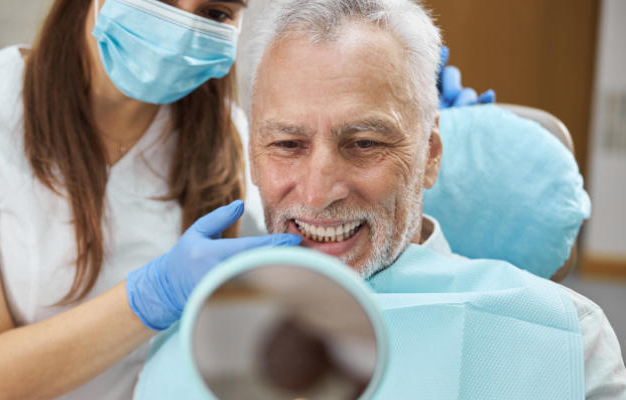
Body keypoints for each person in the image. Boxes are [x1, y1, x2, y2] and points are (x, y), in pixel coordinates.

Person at [0, 0, 491, 399]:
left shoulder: (229, 136)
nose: (183, 23)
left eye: (215, 11)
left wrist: (423, 141)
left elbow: (327, 242)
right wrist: (155, 296)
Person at [247, 0, 624, 397]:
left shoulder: (566, 338)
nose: (317, 194)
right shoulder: (200, 317)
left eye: (364, 143)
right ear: (253, 156)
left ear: (430, 154)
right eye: (288, 144)